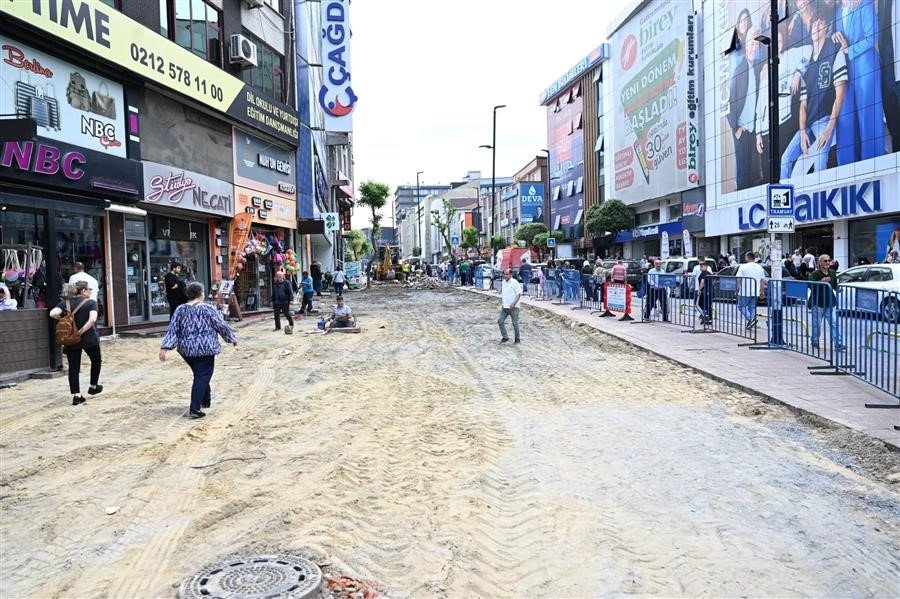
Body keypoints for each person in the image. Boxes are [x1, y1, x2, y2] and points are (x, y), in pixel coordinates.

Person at [781, 16, 848, 179]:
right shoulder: (806, 63)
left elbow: (840, 94)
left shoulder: (834, 51)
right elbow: (803, 104)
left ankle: (820, 195)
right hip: (809, 124)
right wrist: (802, 131)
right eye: (814, 25)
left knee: (820, 158)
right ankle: (783, 196)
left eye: (821, 23)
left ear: (826, 28)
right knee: (785, 159)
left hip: (824, 120)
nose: (816, 27)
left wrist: (828, 130)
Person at [159, 282, 237, 419]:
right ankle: (195, 408)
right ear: (201, 294)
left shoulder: (180, 309)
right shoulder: (208, 308)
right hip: (205, 348)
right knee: (202, 375)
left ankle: (205, 399)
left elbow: (173, 330)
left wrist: (165, 348)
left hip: (186, 349)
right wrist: (231, 338)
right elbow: (221, 325)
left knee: (200, 373)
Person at [833, 0, 885, 162]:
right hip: (847, 68)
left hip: (866, 65)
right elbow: (842, 38)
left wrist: (849, 49)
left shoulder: (864, 3)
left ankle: (873, 161)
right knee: (846, 117)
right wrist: (836, 37)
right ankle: (847, 166)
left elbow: (872, 37)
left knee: (867, 114)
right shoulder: (838, 11)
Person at [49, 281, 101, 405]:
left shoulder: (65, 303)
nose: (90, 291)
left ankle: (77, 396)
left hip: (71, 339)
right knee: (96, 360)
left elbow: (52, 313)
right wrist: (80, 331)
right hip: (89, 339)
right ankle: (93, 386)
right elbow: (92, 319)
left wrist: (63, 318)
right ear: (83, 291)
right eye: (89, 289)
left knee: (73, 367)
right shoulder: (91, 303)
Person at [729, 26, 765, 190]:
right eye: (752, 44)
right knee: (743, 172)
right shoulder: (739, 69)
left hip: (753, 128)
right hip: (742, 129)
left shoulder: (756, 66)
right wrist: (735, 128)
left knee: (752, 171)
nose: (754, 48)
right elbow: (730, 101)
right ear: (746, 45)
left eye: (756, 45)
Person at [809, 254, 845, 351]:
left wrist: (839, 289)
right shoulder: (815, 274)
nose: (827, 262)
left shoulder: (832, 273)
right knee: (817, 324)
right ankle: (815, 341)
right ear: (820, 263)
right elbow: (810, 286)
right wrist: (821, 281)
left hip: (830, 302)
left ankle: (838, 343)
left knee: (834, 323)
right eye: (825, 261)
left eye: (829, 260)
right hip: (818, 303)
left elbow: (834, 285)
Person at [736, 251, 767, 330]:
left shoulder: (743, 266)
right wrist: (762, 291)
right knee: (752, 307)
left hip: (745, 291)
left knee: (741, 306)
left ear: (747, 257)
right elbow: (762, 280)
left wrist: (738, 288)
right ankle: (751, 322)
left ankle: (751, 319)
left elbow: (738, 279)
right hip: (755, 291)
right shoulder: (760, 267)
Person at [497, 268, 522, 344]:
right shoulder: (503, 282)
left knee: (515, 323)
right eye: (504, 274)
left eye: (507, 274)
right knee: (500, 321)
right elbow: (502, 290)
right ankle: (505, 337)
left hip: (514, 307)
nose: (505, 276)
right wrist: (499, 290)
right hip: (505, 306)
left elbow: (518, 294)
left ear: (511, 275)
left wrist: (513, 303)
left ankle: (517, 339)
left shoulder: (514, 282)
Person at [696, 261, 713, 325]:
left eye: (702, 267)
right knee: (708, 305)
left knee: (702, 304)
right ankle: (708, 318)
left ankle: (706, 317)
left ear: (706, 267)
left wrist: (699, 290)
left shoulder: (704, 273)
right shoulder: (709, 273)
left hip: (705, 291)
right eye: (700, 267)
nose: (700, 268)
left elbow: (702, 282)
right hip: (709, 291)